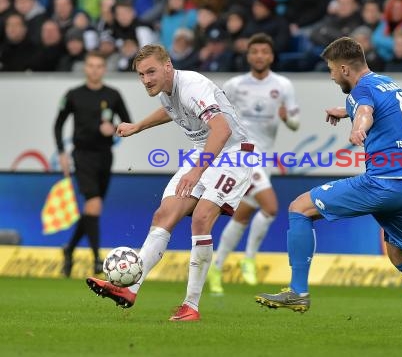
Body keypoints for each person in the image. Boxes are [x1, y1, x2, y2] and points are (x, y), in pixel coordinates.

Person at [256, 36, 402, 327]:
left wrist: (357, 128)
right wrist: (345, 111)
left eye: (333, 70)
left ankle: (298, 291)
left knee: (300, 208)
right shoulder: (385, 82)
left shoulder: (361, 90)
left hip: (383, 183)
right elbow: (374, 107)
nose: (333, 76)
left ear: (345, 68)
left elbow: (365, 111)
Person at [85, 44, 253, 322]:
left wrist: (196, 171)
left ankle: (191, 305)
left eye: (151, 71)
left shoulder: (192, 87)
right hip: (204, 152)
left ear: (167, 66)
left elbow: (221, 130)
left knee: (200, 218)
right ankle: (129, 289)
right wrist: (137, 126)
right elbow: (171, 111)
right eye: (141, 75)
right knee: (164, 214)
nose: (146, 79)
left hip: (236, 154)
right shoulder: (168, 91)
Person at [207, 33, 300, 294]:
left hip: (265, 158)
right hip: (242, 154)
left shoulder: (282, 85)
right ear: (248, 56)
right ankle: (249, 258)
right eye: (255, 51)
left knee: (242, 215)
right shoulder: (235, 85)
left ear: (271, 56)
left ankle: (217, 267)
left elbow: (295, 122)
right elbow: (217, 115)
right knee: (270, 207)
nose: (259, 56)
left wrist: (286, 118)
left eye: (264, 52)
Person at [54, 51, 131, 277]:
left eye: (99, 66)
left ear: (104, 69)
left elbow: (128, 123)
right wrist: (61, 152)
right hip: (82, 155)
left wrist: (115, 127)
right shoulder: (73, 94)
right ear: (85, 68)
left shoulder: (113, 95)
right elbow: (58, 125)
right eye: (91, 65)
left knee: (92, 209)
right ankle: (97, 259)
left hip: (104, 155)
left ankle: (69, 249)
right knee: (94, 204)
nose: (95, 69)